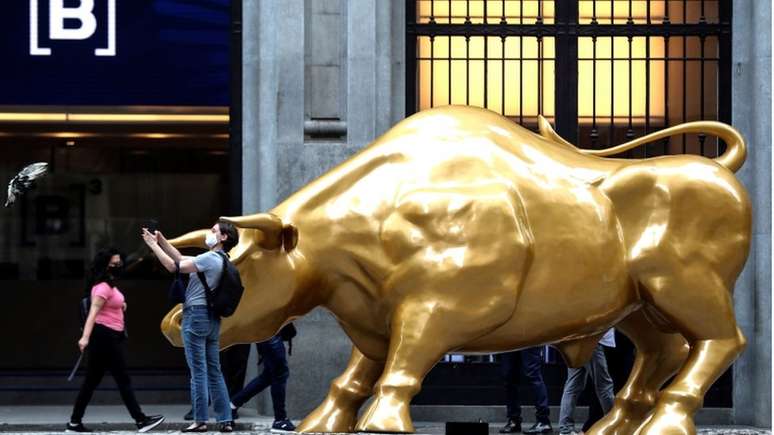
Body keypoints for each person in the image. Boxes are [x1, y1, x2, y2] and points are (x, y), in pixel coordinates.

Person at [142, 220, 238, 432]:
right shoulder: (220, 260)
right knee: (215, 371)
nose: (209, 234)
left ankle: (200, 421)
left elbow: (172, 266)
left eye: (213, 231)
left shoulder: (210, 258)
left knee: (198, 372)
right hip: (212, 319)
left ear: (223, 238)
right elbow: (181, 258)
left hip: (196, 316)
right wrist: (163, 241)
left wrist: (152, 245)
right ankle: (225, 420)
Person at [67, 248, 165, 433]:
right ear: (106, 266)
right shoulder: (102, 287)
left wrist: (121, 305)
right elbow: (92, 315)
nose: (118, 266)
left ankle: (74, 422)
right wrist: (84, 338)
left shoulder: (110, 285)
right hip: (104, 337)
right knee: (123, 380)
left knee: (91, 382)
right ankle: (140, 420)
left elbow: (111, 305)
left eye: (119, 263)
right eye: (114, 264)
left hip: (109, 337)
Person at [229, 335, 296, 432]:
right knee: (279, 372)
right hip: (270, 332)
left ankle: (232, 404)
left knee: (268, 375)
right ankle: (280, 419)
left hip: (270, 333)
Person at [558, 329, 616, 435]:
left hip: (577, 338)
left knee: (573, 386)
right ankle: (615, 425)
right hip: (592, 340)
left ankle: (565, 429)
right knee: (604, 385)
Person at [499, 347, 553, 434]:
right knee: (508, 376)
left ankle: (543, 421)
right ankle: (514, 420)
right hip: (509, 338)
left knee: (533, 374)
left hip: (529, 337)